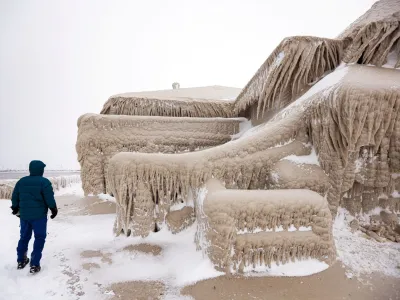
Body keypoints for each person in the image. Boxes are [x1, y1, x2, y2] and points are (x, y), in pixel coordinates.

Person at [10, 160, 58, 274]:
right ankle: (35, 264)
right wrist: (53, 209)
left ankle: (21, 260)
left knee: (24, 237)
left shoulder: (21, 182)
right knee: (39, 238)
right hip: (39, 216)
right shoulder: (44, 182)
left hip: (24, 216)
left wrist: (15, 207)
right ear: (40, 170)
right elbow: (49, 198)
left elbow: (15, 196)